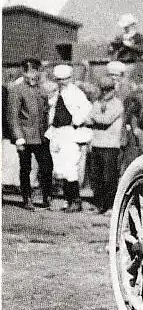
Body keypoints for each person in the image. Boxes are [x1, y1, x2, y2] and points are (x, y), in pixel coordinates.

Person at [6, 58, 53, 209]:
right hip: (25, 137)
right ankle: (27, 198)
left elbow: (46, 112)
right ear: (24, 73)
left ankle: (46, 197)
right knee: (25, 169)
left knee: (47, 167)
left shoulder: (41, 90)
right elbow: (12, 116)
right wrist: (18, 138)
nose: (32, 75)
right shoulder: (17, 90)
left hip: (41, 136)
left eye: (35, 72)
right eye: (28, 72)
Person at [46, 63, 92, 212]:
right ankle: (67, 199)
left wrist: (76, 120)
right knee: (60, 168)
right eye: (59, 79)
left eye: (64, 79)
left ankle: (76, 201)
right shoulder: (56, 92)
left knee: (70, 167)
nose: (61, 82)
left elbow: (86, 108)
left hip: (70, 132)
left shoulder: (76, 92)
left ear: (70, 78)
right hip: (56, 132)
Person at [87, 76, 125, 214]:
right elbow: (88, 118)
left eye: (108, 90)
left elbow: (106, 120)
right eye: (103, 90)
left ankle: (109, 206)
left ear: (113, 90)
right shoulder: (97, 103)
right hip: (97, 143)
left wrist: (93, 118)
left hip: (110, 145)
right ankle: (99, 204)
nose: (105, 92)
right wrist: (93, 117)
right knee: (96, 176)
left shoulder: (117, 104)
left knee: (109, 177)